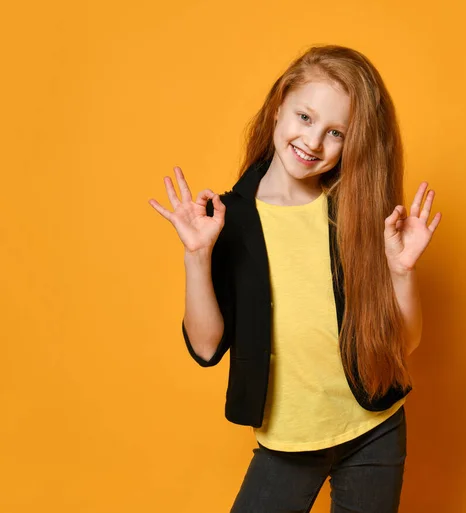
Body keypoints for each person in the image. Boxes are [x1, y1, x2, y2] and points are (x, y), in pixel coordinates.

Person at [149, 44, 441, 513]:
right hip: (288, 440)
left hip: (375, 430)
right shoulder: (229, 218)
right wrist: (197, 255)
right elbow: (206, 348)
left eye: (335, 133)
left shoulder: (354, 210)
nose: (314, 143)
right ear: (279, 103)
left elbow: (403, 344)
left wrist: (402, 272)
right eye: (305, 118)